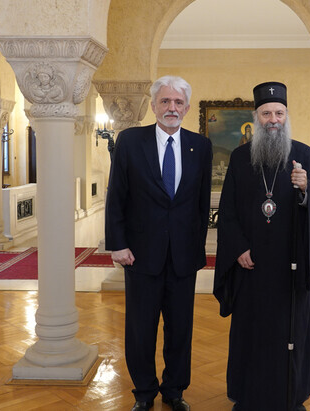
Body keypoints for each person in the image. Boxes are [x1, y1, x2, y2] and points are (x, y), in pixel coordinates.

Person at [213, 81, 310, 410]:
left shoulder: (303, 154)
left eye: (279, 112)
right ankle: (248, 397)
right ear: (256, 118)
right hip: (252, 268)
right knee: (252, 335)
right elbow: (229, 211)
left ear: (287, 116)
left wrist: (308, 188)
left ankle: (292, 396)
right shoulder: (239, 159)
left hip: (289, 269)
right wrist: (237, 248)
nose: (273, 119)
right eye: (266, 113)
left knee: (290, 334)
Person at [105, 75, 212, 411]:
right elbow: (116, 196)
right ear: (153, 105)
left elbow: (201, 203)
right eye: (165, 101)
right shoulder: (130, 142)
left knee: (180, 329)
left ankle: (175, 390)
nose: (171, 108)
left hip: (182, 258)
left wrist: (197, 248)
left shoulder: (201, 146)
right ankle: (144, 393)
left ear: (187, 108)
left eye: (178, 103)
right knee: (141, 330)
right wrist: (117, 244)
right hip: (140, 256)